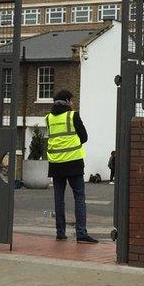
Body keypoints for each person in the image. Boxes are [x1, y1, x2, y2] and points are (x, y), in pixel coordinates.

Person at [45, 89, 98, 243]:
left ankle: (60, 233)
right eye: (72, 101)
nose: (73, 104)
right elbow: (84, 137)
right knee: (79, 197)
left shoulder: (48, 118)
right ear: (67, 101)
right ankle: (81, 234)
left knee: (58, 199)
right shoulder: (72, 115)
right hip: (73, 163)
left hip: (55, 164)